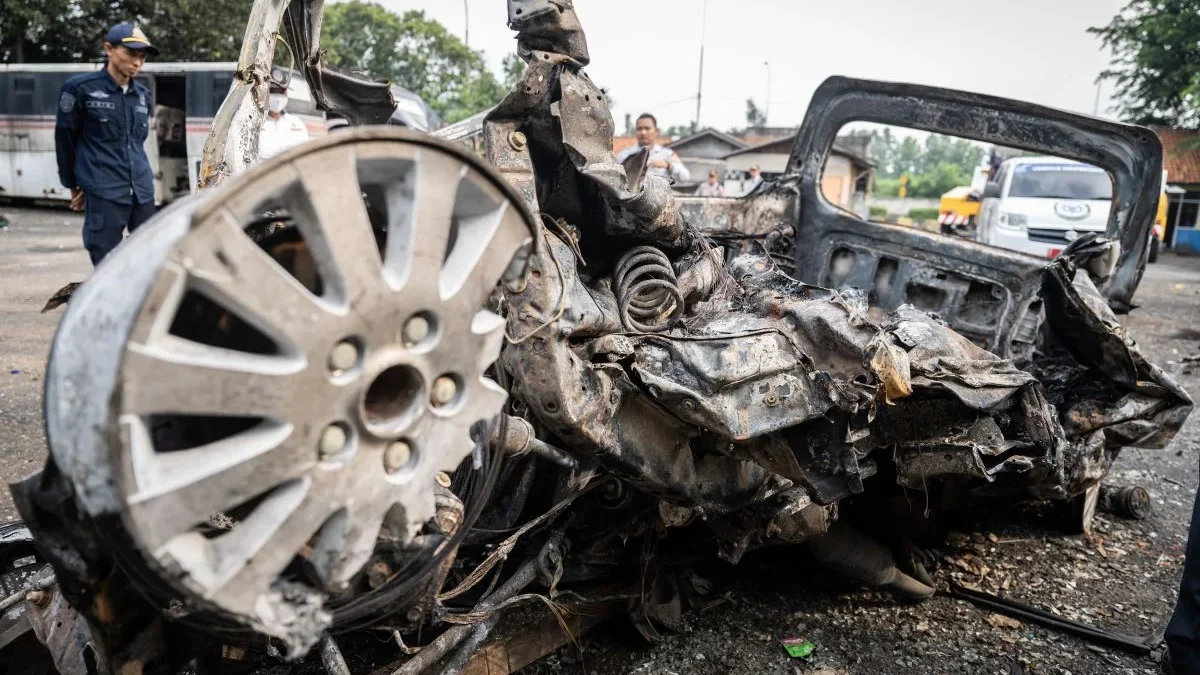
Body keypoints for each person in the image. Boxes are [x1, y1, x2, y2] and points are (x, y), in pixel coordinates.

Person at [55, 23, 159, 266]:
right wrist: (73, 184)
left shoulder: (142, 95)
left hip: (142, 191)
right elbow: (65, 139)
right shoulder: (80, 89)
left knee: (151, 260)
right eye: (130, 54)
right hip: (104, 191)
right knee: (106, 263)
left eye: (142, 57)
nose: (137, 62)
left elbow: (137, 142)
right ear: (108, 49)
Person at [615, 113, 690, 183]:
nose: (643, 132)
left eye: (647, 128)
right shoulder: (625, 155)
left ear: (656, 131)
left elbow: (685, 177)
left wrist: (668, 166)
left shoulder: (667, 154)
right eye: (639, 129)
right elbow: (615, 178)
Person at [258, 66, 310, 161]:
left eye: (281, 92)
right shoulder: (253, 125)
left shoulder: (297, 124)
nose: (278, 97)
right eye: (273, 91)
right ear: (263, 92)